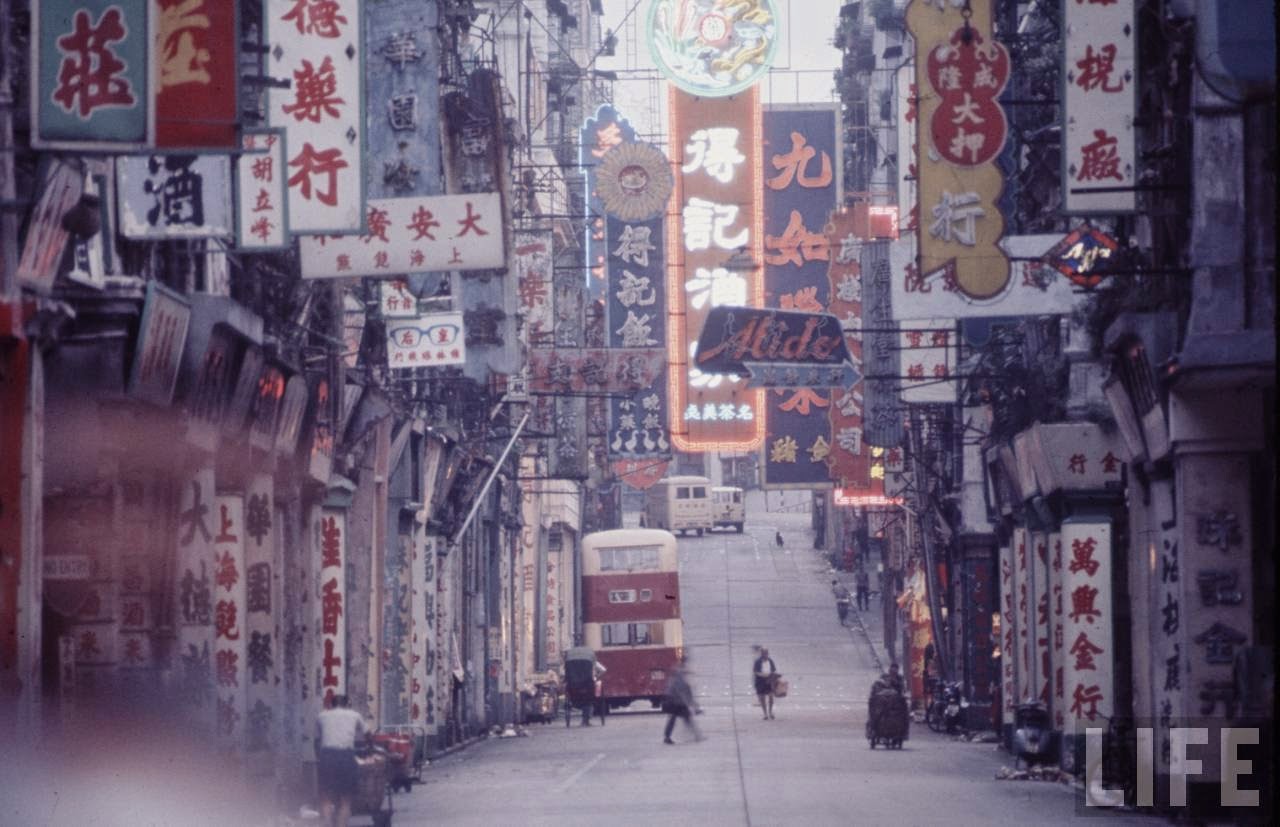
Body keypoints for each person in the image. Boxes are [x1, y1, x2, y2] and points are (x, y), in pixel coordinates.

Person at [316, 694, 366, 827]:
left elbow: (318, 738)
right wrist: (371, 747)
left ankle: (327, 822)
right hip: (346, 756)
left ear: (331, 705)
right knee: (346, 798)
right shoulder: (355, 715)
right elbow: (368, 733)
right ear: (347, 704)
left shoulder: (322, 716)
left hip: (327, 756)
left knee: (325, 795)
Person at [662, 657, 703, 744]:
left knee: (676, 718)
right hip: (676, 701)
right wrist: (689, 703)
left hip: (675, 699)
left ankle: (667, 737)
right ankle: (696, 735)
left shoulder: (679, 671)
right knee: (684, 718)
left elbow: (683, 689)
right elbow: (681, 690)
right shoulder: (679, 673)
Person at [752, 646, 779, 720]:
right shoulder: (758, 661)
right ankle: (765, 713)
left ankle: (770, 712)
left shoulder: (770, 661)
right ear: (762, 654)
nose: (766, 655)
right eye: (764, 654)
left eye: (767, 653)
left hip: (769, 681)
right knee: (762, 698)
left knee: (771, 697)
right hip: (760, 682)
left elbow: (773, 670)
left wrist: (774, 676)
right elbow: (756, 672)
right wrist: (764, 675)